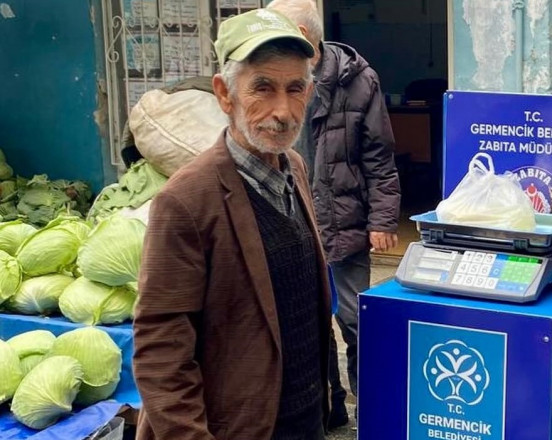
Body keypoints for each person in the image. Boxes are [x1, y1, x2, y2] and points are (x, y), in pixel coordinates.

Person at [132, 9, 332, 440]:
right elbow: (161, 350)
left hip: (305, 418)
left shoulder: (293, 166)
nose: (283, 110)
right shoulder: (185, 202)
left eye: (295, 89)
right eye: (262, 87)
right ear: (225, 94)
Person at [268, 0, 402, 429]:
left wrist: (382, 219)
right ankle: (329, 410)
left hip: (343, 221)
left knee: (355, 321)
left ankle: (371, 406)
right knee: (305, 323)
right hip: (290, 221)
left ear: (305, 38)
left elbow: (379, 156)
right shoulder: (273, 80)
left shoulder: (358, 81)